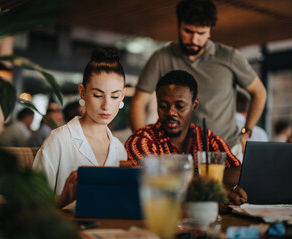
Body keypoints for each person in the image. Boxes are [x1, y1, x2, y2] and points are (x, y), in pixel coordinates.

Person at [129, 0, 266, 159]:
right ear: (178, 26)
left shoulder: (229, 57)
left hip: (226, 149)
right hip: (177, 154)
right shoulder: (161, 58)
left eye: (201, 33)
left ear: (210, 32)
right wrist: (144, 144)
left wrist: (247, 132)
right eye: (188, 31)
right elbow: (139, 102)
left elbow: (259, 93)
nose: (194, 40)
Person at [126, 70, 247, 205]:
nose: (171, 112)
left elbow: (238, 173)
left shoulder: (206, 138)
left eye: (180, 106)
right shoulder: (141, 140)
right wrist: (208, 188)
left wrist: (189, 179)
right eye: (163, 106)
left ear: (194, 105)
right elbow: (150, 182)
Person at [33, 48, 127, 208]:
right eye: (98, 95)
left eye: (115, 96)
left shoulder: (119, 150)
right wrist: (62, 199)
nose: (106, 105)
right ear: (82, 92)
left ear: (122, 96)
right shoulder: (59, 140)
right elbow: (30, 203)